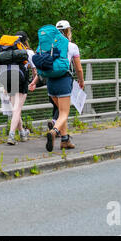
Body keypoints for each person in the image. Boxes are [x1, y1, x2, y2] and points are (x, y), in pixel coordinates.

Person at [30, 20, 84, 151]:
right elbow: (79, 69)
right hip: (63, 80)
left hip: (50, 82)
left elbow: (44, 63)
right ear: (67, 31)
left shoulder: (49, 45)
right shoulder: (71, 46)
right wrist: (81, 81)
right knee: (64, 113)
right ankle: (54, 132)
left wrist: (34, 81)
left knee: (60, 112)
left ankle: (65, 140)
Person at [3, 31, 37, 145]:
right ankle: (11, 136)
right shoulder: (29, 52)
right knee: (17, 109)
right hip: (21, 79)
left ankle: (22, 133)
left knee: (15, 109)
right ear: (25, 40)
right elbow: (34, 70)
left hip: (7, 78)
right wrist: (34, 82)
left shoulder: (9, 50)